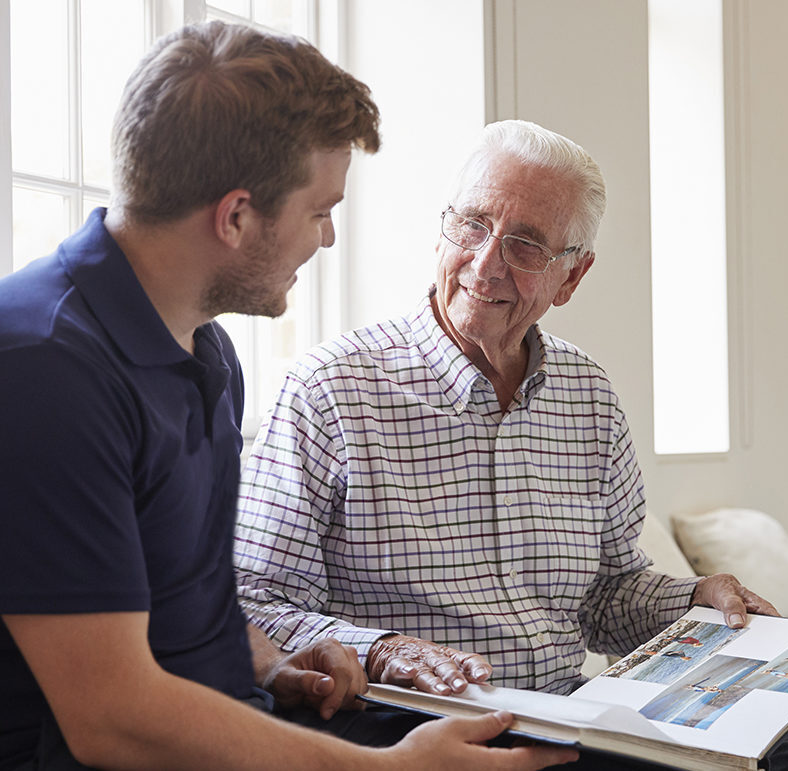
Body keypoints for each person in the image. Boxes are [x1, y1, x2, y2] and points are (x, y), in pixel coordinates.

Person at [0, 24, 577, 771]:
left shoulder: (204, 348)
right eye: (319, 210)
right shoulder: (43, 368)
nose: (329, 238)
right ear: (236, 216)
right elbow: (113, 717)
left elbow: (184, 606)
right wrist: (394, 770)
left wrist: (273, 662)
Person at [234, 120, 788, 769]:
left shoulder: (588, 394)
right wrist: (381, 647)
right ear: (442, 227)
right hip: (409, 726)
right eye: (473, 224)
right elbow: (252, 601)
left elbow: (608, 594)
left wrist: (693, 599)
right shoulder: (331, 388)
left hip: (572, 716)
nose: (485, 263)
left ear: (572, 277)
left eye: (525, 245)